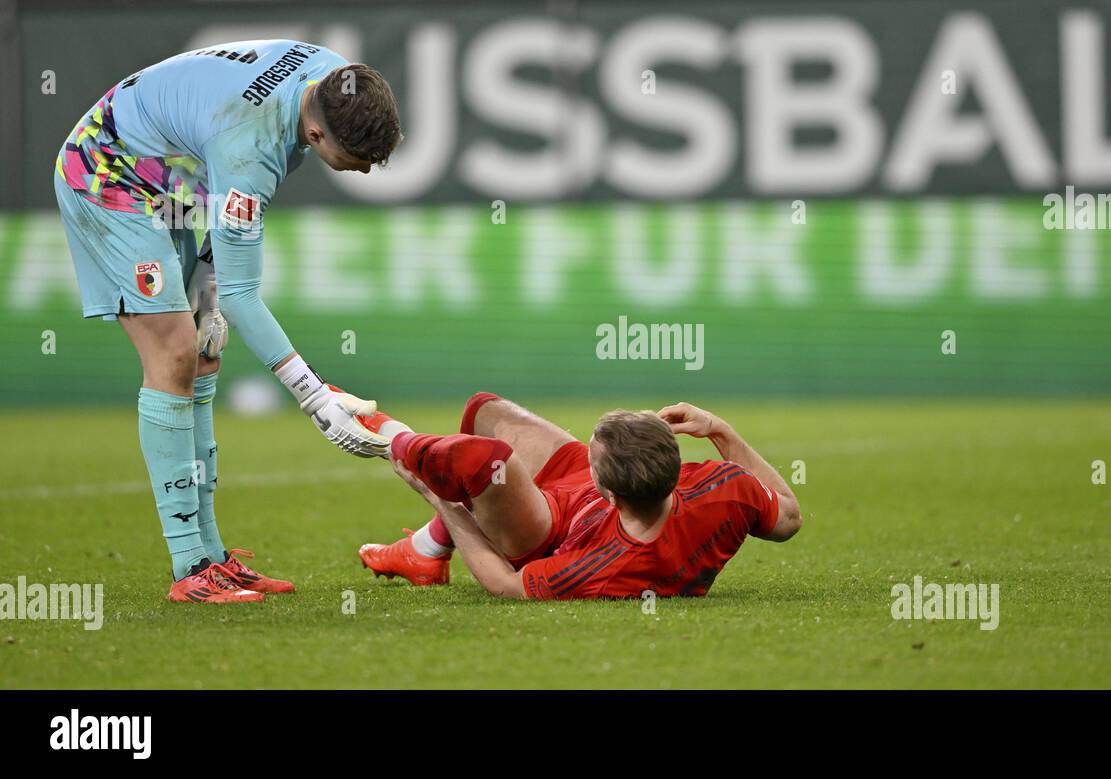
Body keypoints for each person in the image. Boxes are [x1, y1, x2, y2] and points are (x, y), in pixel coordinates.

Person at [53, 40, 402, 603]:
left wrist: (208, 289)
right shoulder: (250, 147)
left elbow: (226, 246)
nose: (363, 169)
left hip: (175, 178)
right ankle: (189, 568)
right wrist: (315, 398)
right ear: (316, 135)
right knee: (173, 352)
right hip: (107, 172)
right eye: (356, 158)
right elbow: (243, 293)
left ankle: (213, 556)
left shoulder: (333, 79)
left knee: (206, 348)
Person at [358, 393, 802, 599]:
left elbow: (506, 586)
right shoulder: (723, 486)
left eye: (593, 452)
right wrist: (719, 429)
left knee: (482, 461)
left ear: (608, 494)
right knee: (484, 411)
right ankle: (427, 551)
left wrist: (448, 507)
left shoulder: (606, 565)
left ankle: (390, 440)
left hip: (551, 527)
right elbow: (788, 517)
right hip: (583, 491)